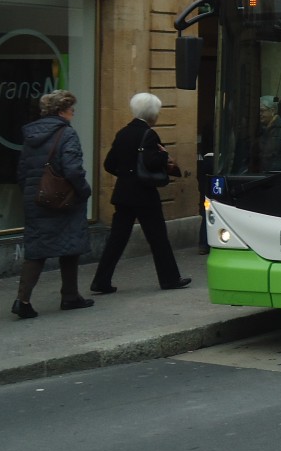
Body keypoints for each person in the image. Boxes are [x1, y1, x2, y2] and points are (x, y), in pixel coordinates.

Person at [90, 92, 191, 294]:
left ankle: (101, 280)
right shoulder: (149, 134)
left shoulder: (123, 132)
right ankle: (169, 278)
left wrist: (127, 175)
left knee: (117, 239)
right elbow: (152, 162)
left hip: (124, 194)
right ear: (153, 114)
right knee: (158, 237)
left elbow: (109, 164)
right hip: (144, 194)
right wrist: (164, 157)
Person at [11, 90, 95, 319]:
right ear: (61, 111)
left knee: (36, 250)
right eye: (71, 108)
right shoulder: (67, 134)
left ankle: (23, 299)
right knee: (70, 245)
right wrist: (84, 191)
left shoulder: (30, 135)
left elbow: (22, 170)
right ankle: (69, 296)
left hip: (36, 198)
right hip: (63, 199)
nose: (73, 112)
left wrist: (30, 194)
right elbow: (72, 169)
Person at [257, 95, 281, 170]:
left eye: (262, 110)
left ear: (272, 111)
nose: (259, 114)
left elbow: (269, 157)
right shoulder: (266, 128)